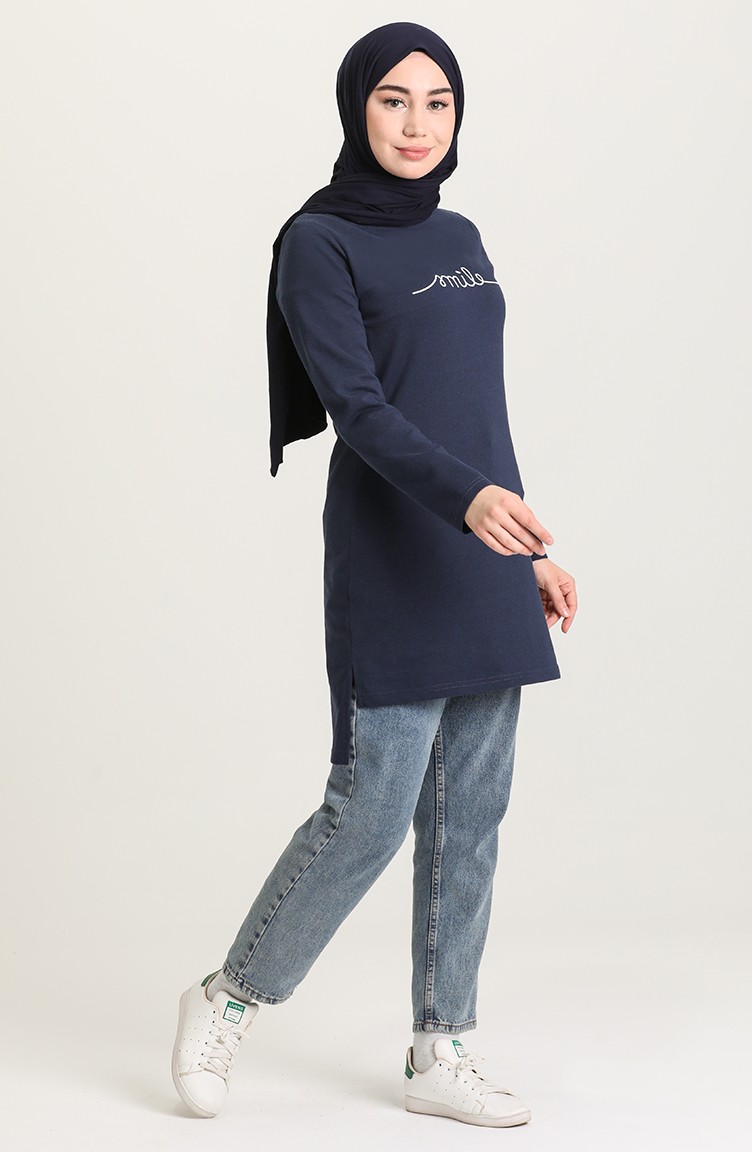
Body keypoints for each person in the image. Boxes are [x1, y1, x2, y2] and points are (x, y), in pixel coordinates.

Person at [171, 21, 577, 1129]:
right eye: (393, 99)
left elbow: (474, 406)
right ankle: (227, 997)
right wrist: (470, 502)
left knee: (470, 817)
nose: (415, 123)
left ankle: (441, 1047)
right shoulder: (318, 240)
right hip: (394, 551)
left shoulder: (461, 234)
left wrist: (527, 546)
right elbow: (358, 409)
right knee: (369, 813)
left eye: (437, 102)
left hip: (482, 550)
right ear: (357, 107)